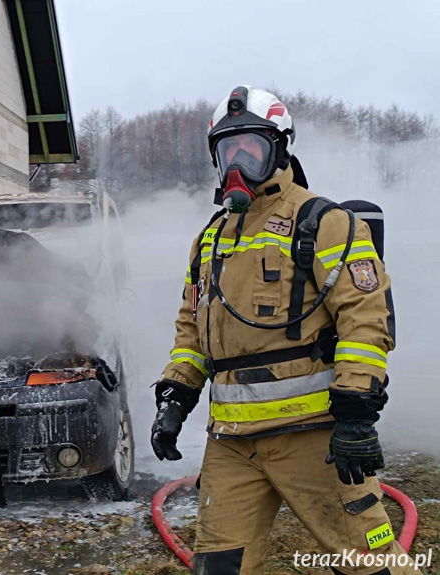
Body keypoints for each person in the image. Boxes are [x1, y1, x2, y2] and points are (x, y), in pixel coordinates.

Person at [150, 86, 418, 574]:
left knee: (372, 562)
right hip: (231, 443)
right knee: (219, 566)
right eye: (228, 151)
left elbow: (365, 321)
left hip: (313, 437)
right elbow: (192, 328)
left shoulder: (326, 222)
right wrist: (176, 396)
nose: (238, 163)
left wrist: (357, 415)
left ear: (280, 148)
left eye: (250, 148)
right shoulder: (209, 239)